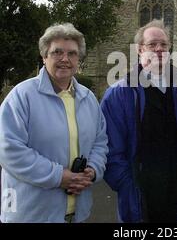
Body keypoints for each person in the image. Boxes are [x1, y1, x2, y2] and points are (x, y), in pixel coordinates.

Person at [0, 23, 108, 223]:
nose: (65, 59)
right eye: (57, 52)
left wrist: (92, 170)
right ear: (44, 56)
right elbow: (8, 150)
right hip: (31, 214)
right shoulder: (21, 96)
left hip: (77, 213)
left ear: (79, 59)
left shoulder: (89, 98)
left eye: (72, 53)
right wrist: (59, 176)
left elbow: (100, 141)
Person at [101, 19, 177, 223]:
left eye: (164, 44)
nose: (159, 49)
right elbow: (110, 149)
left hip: (175, 186)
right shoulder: (119, 94)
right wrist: (127, 185)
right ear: (140, 50)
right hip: (139, 191)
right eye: (152, 45)